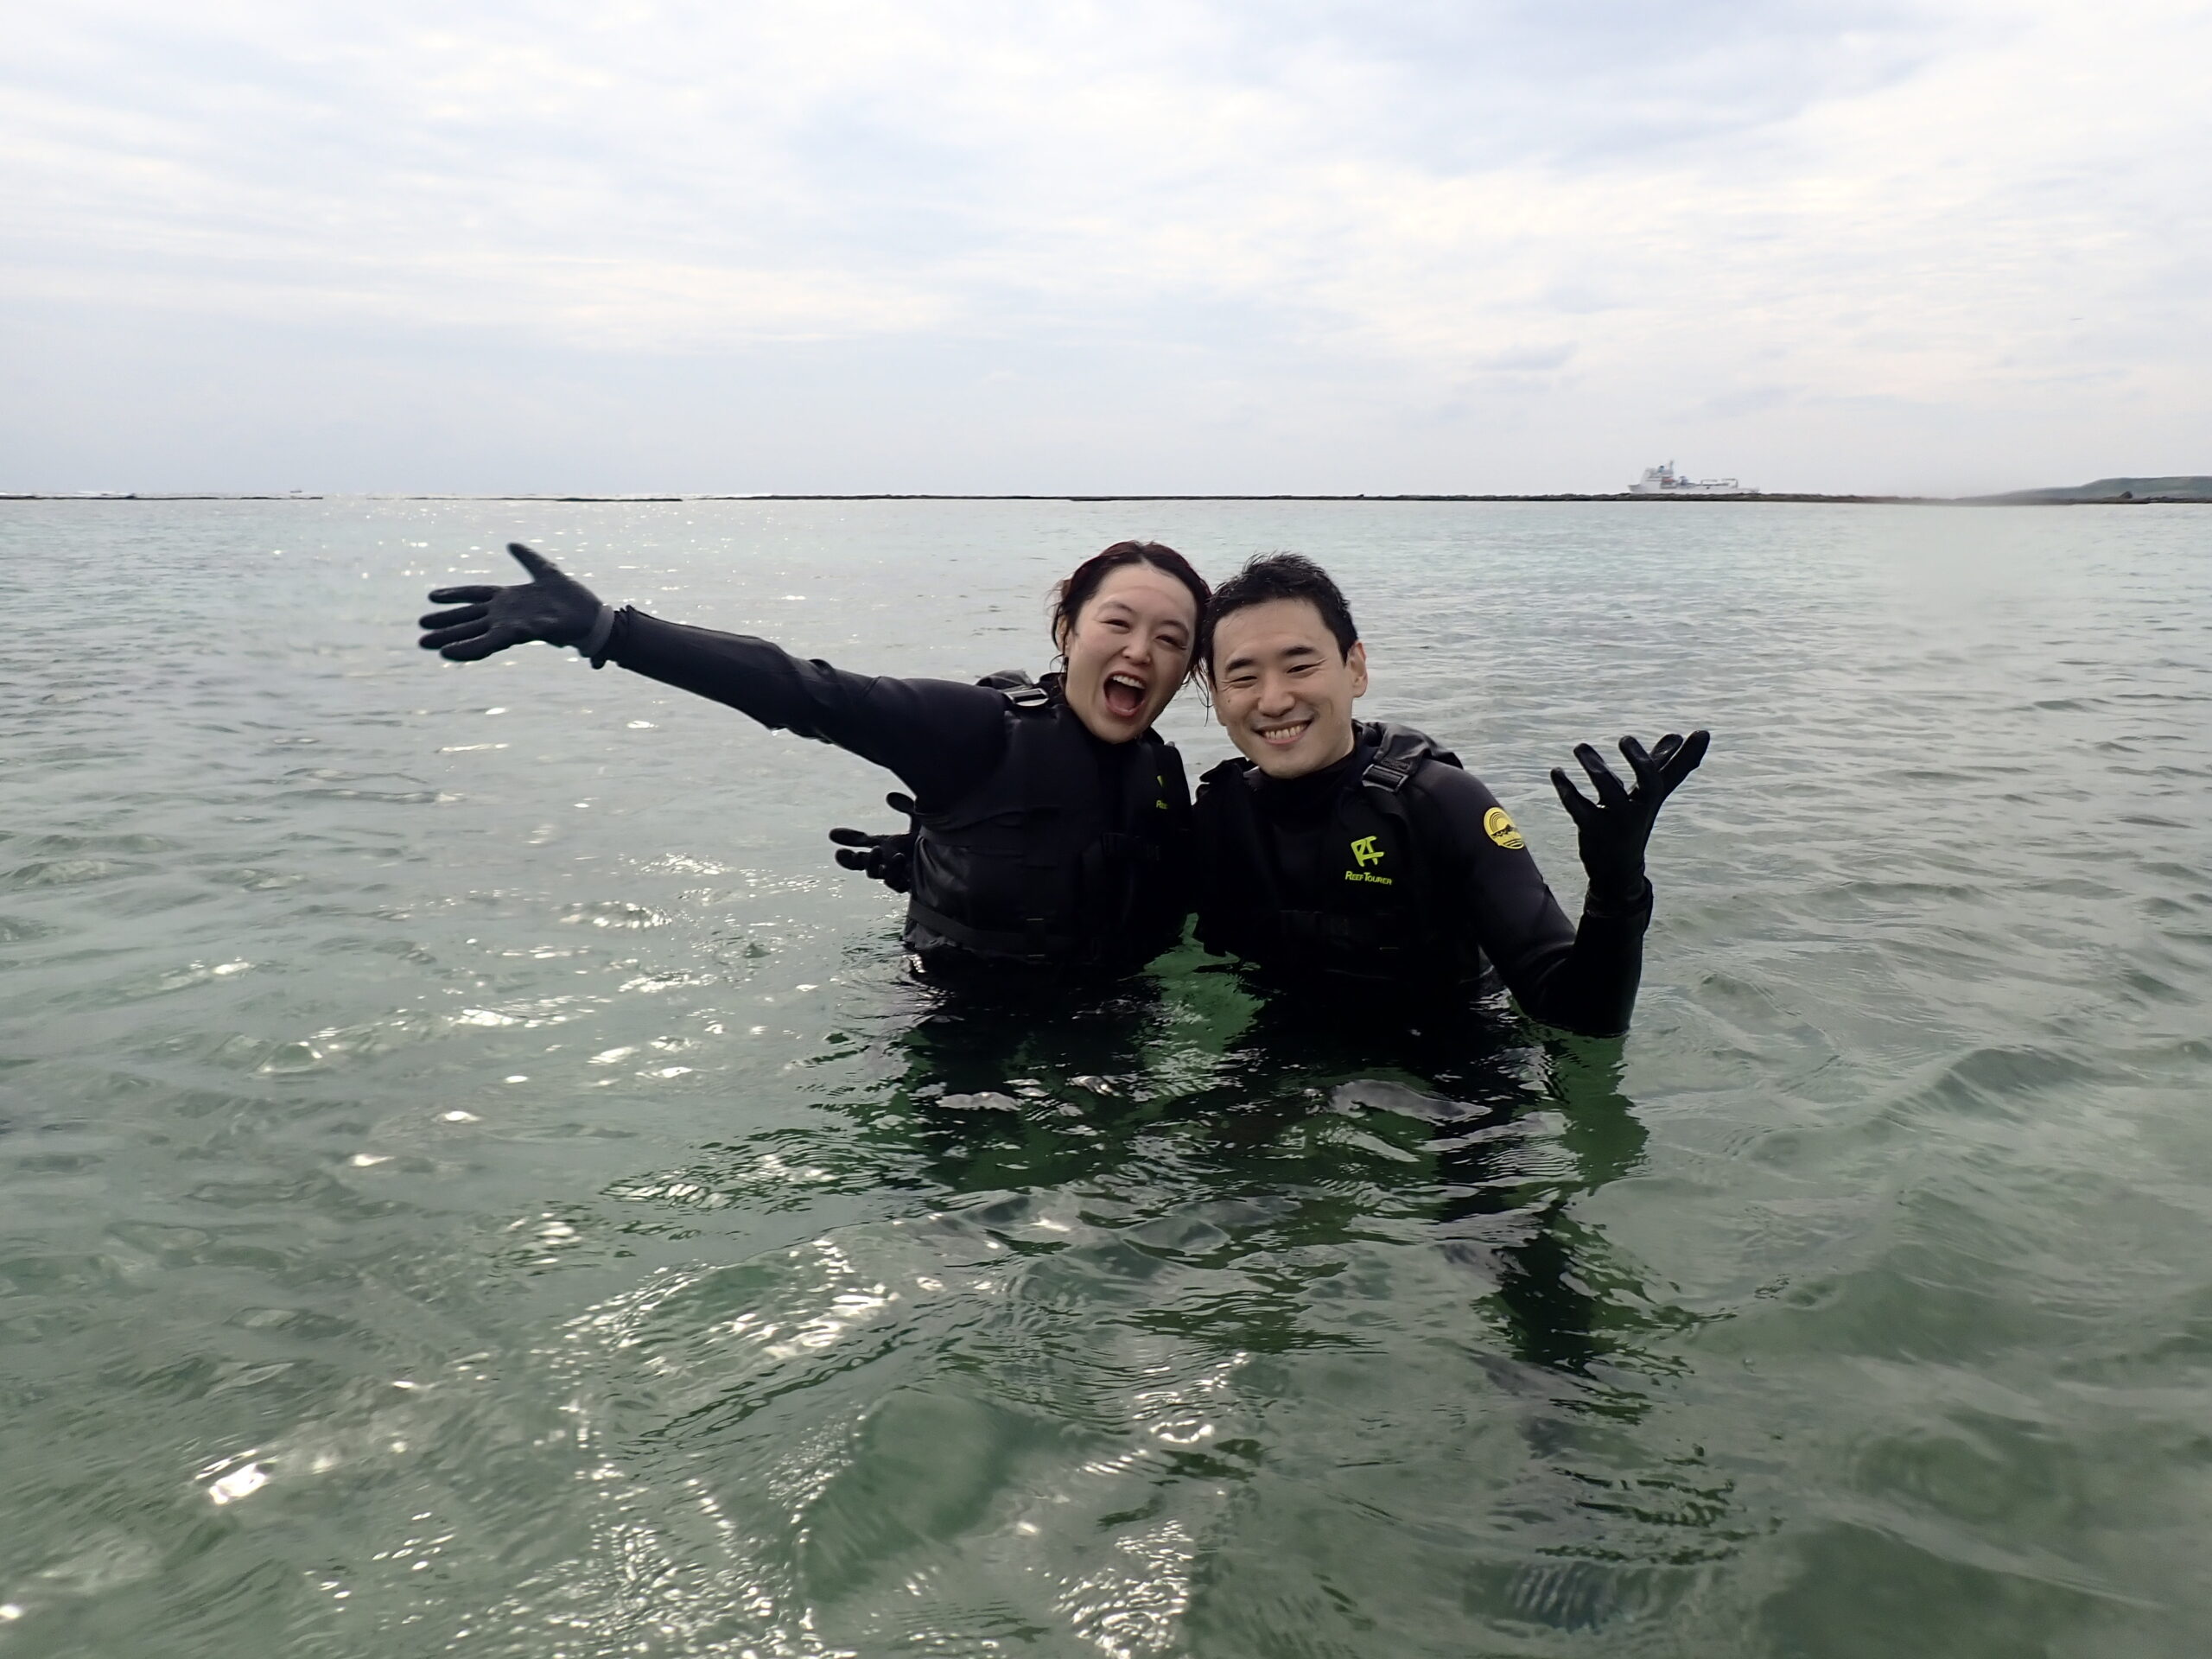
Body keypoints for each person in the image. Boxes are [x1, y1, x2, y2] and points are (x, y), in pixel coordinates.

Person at [416, 539, 1210, 982]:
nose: (1142, 650)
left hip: (1113, 1029)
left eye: (1172, 640)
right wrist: (608, 632)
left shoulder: (1166, 779)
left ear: (1188, 669)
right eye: (1118, 622)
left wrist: (950, 854)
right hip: (963, 1033)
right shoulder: (975, 731)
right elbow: (802, 690)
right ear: (1067, 629)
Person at [1190, 554, 1707, 1037]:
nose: (1275, 699)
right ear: (1216, 693)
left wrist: (1616, 891)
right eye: (1243, 677)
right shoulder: (1219, 816)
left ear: (1356, 668)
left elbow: (1580, 1018)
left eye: (1300, 666)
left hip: (1451, 1067)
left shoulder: (1439, 804)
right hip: (1288, 1044)